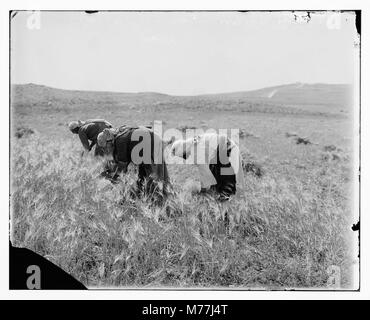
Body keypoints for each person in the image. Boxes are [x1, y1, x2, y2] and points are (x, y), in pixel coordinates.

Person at [97, 125, 170, 199]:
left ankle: (160, 200)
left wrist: (112, 179)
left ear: (109, 141)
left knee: (154, 177)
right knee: (149, 176)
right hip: (151, 140)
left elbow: (122, 167)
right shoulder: (120, 131)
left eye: (106, 146)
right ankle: (157, 197)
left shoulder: (120, 140)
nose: (106, 149)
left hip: (150, 144)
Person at [171, 132, 245, 201]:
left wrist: (202, 193)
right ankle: (220, 195)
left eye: (183, 156)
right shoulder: (192, 142)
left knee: (226, 187)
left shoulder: (196, 151)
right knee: (215, 180)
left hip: (228, 150)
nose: (185, 158)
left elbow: (205, 176)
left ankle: (226, 202)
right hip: (225, 149)